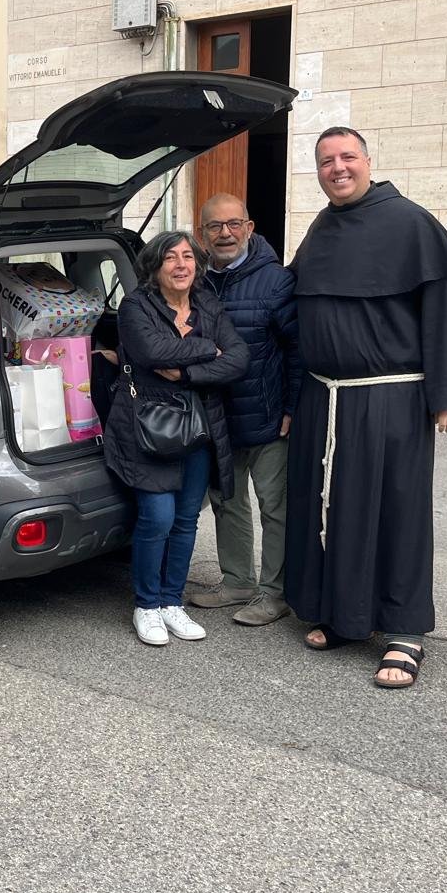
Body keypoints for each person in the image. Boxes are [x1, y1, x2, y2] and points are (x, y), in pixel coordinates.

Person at [284, 127, 447, 689]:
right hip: (323, 394)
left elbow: (446, 305)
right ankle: (348, 617)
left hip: (390, 394)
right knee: (336, 507)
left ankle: (404, 632)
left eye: (347, 157)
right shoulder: (322, 225)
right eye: (326, 160)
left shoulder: (409, 222)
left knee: (395, 510)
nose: (337, 168)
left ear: (368, 161)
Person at [104, 231, 249, 647]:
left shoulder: (207, 303)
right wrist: (209, 350)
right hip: (150, 427)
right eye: (171, 258)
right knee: (158, 518)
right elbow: (151, 353)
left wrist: (188, 372)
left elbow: (239, 358)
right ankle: (146, 605)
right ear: (154, 267)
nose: (181, 265)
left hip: (200, 426)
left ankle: (172, 602)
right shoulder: (137, 306)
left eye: (188, 257)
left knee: (187, 518)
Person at [185, 193, 302, 627]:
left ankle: (276, 593)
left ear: (250, 228)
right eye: (215, 226)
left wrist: (293, 404)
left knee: (275, 506)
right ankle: (237, 581)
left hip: (269, 416)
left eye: (234, 224)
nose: (225, 234)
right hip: (218, 417)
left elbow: (297, 349)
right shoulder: (195, 282)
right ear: (203, 234)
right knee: (226, 502)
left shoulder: (275, 280)